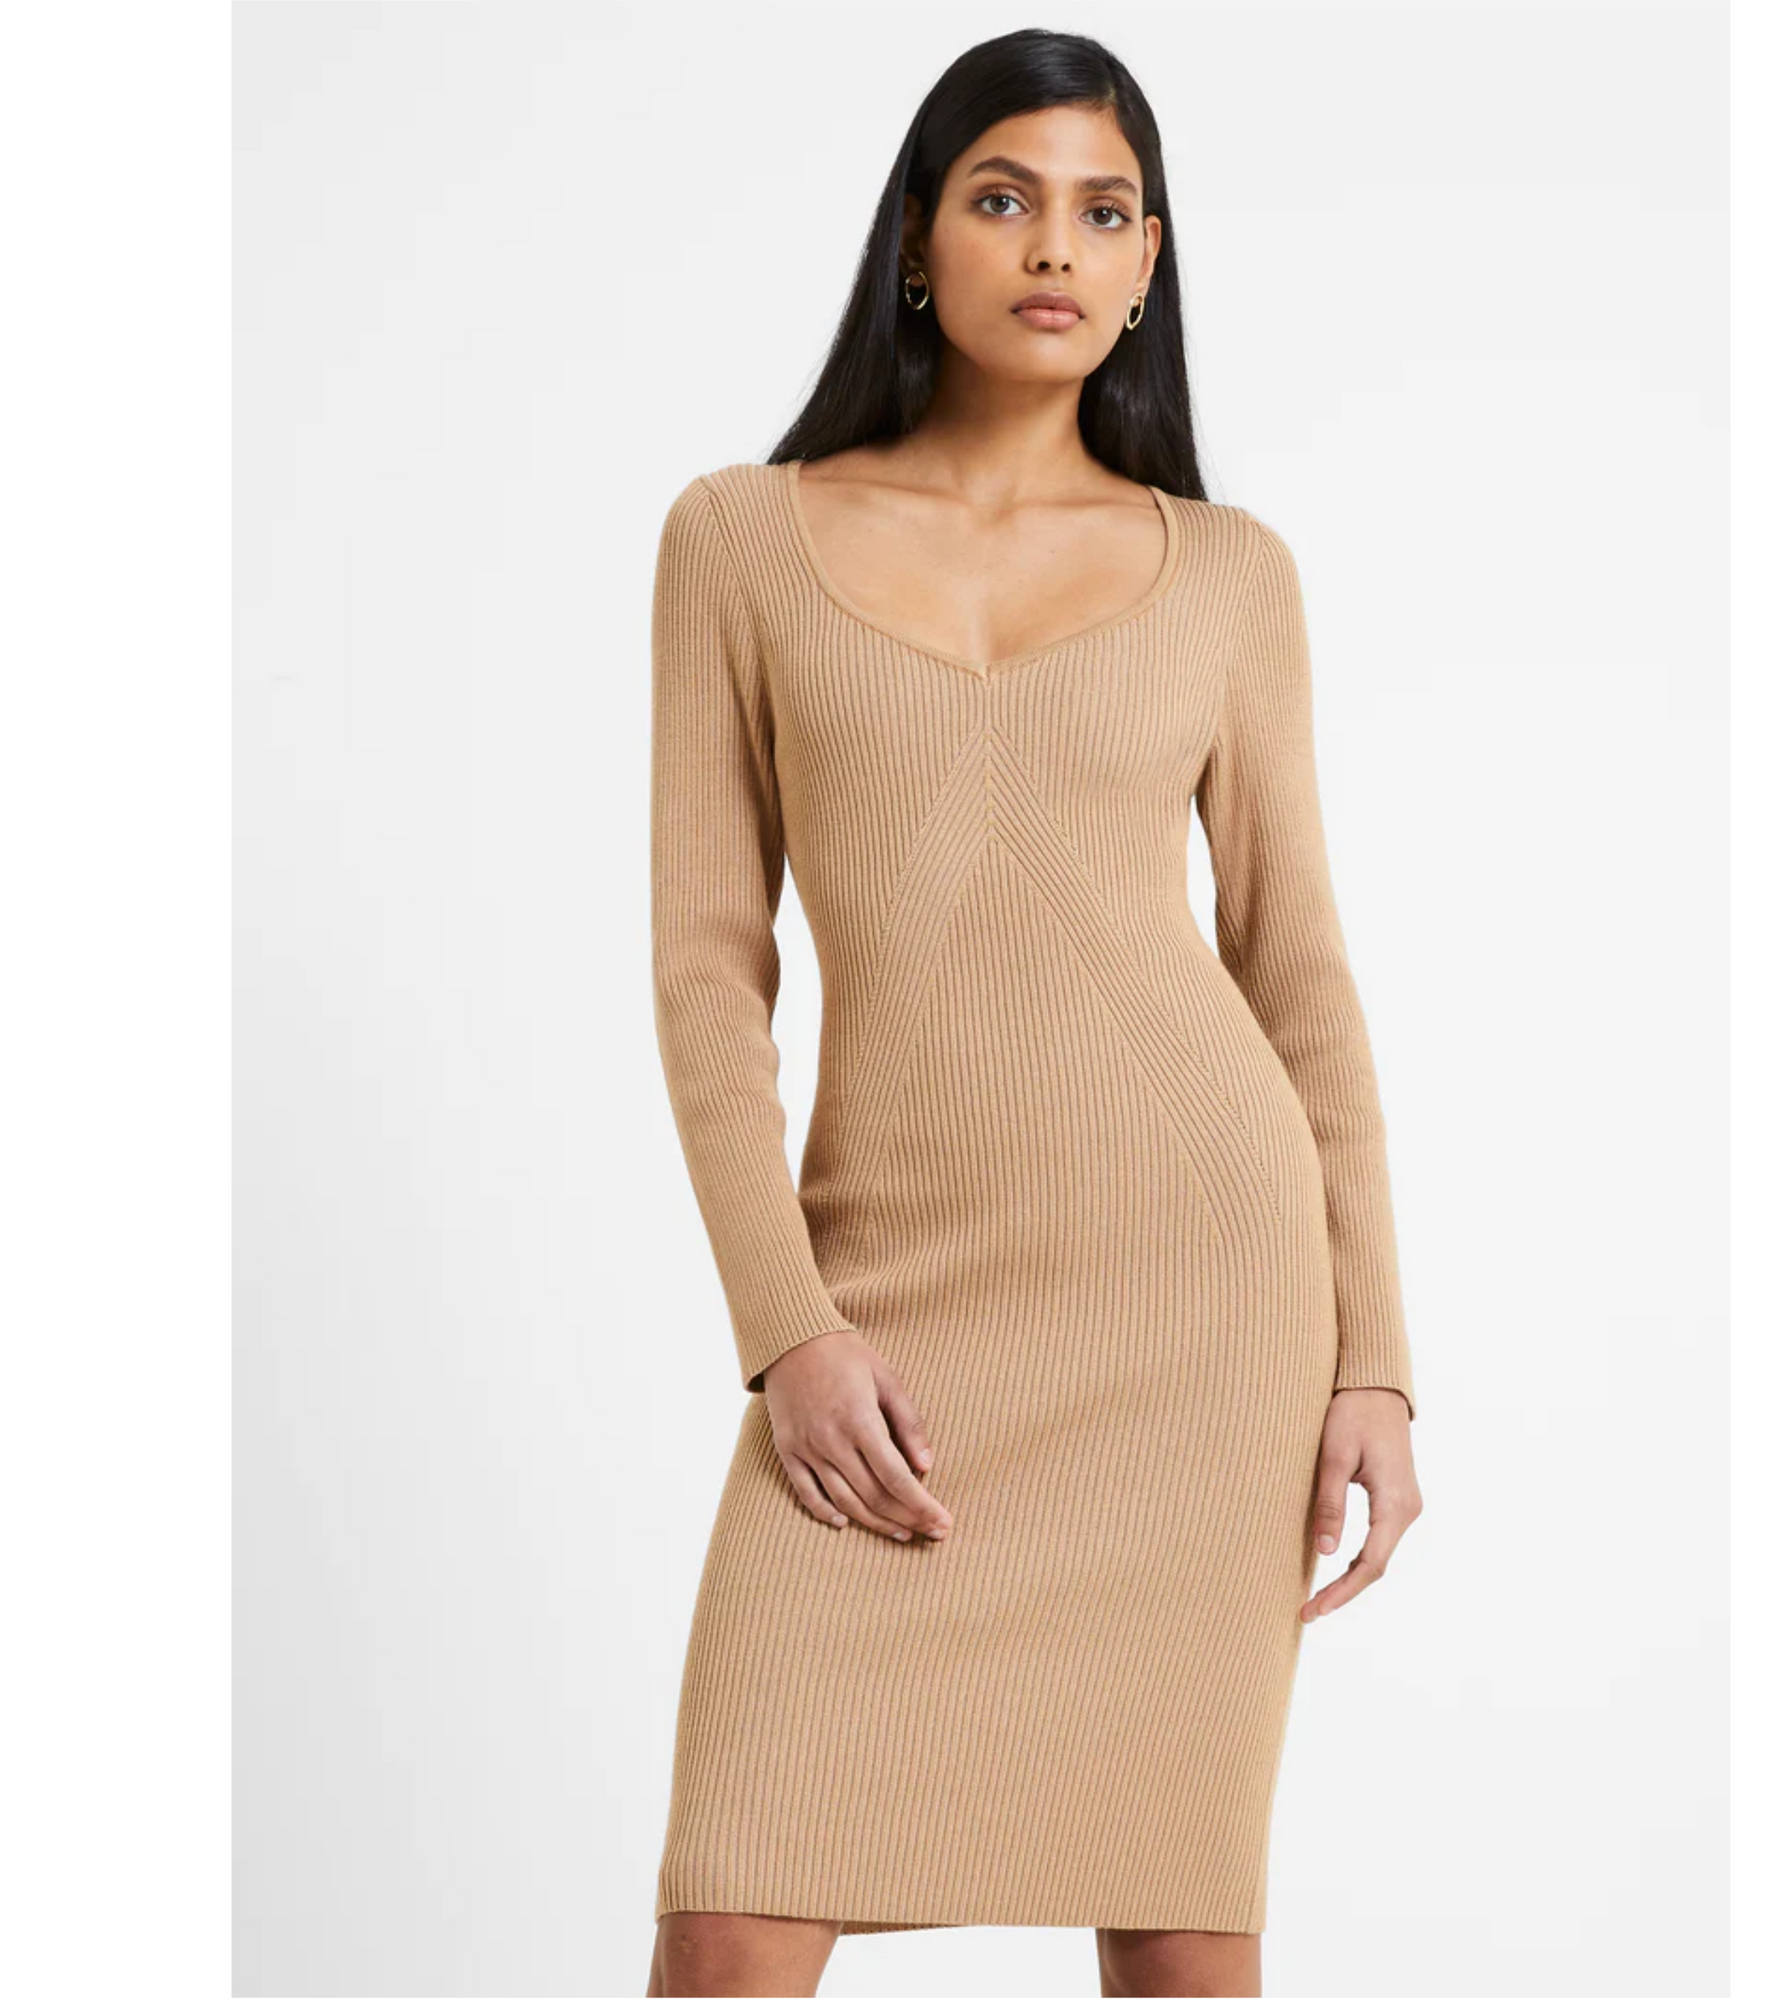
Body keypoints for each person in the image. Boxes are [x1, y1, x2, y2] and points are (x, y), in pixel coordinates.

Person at [645, 28, 1422, 1999]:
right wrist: (786, 1329)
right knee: (729, 1925)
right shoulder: (736, 537)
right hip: (885, 1306)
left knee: (1177, 1939)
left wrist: (1376, 1361)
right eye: (1003, 198)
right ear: (920, 237)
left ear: (1149, 262)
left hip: (1198, 1311)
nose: (1054, 245)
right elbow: (708, 970)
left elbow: (1297, 972)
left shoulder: (1229, 576)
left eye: (1102, 208)